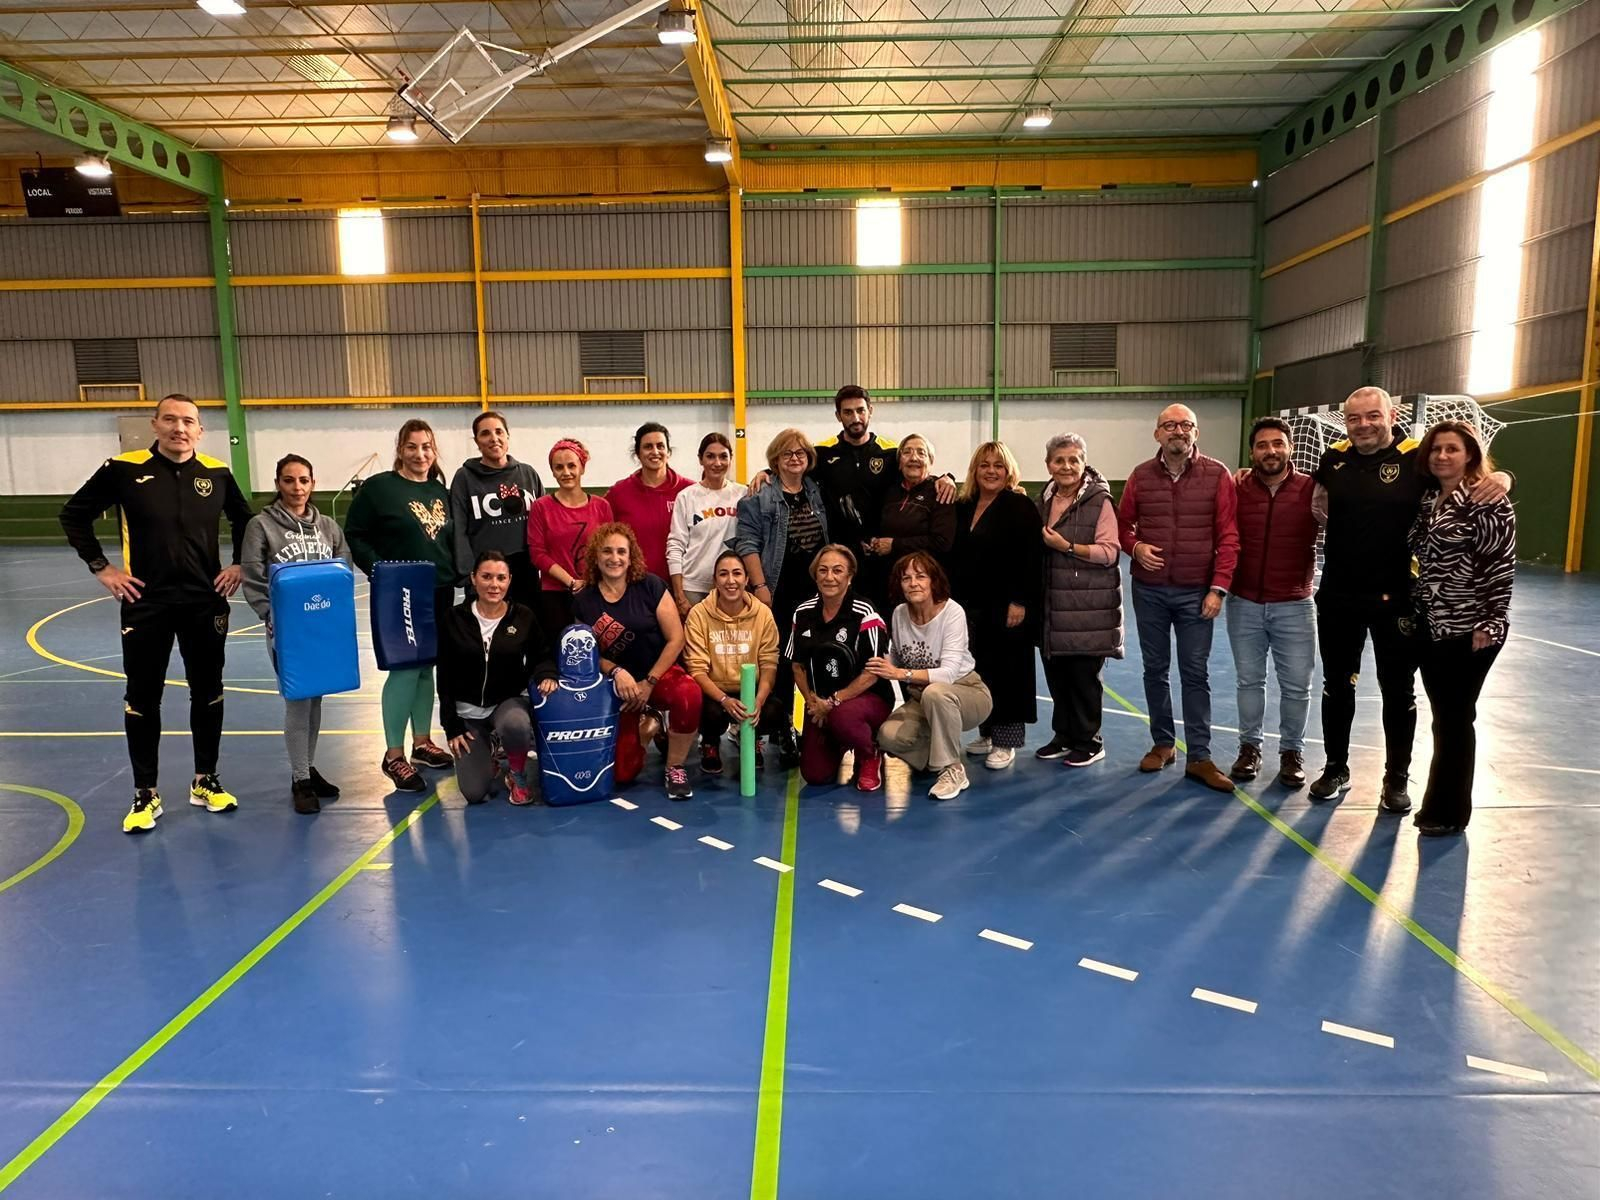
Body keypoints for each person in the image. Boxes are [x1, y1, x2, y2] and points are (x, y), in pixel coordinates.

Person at [59, 393, 252, 833]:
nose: (179, 428)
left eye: (188, 421)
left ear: (200, 430)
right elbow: (73, 516)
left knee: (209, 690)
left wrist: (239, 563)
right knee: (143, 696)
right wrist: (103, 568)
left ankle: (206, 780)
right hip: (146, 602)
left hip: (205, 601)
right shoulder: (123, 469)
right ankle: (145, 792)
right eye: (170, 419)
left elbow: (245, 519)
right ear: (155, 424)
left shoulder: (218, 474)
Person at [1310, 387, 1510, 810]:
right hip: (1338, 597)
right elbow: (1314, 495)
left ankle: (1396, 777)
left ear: (1391, 414)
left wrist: (1504, 477)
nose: (1363, 425)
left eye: (1372, 416)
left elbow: (1467, 476)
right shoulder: (1332, 458)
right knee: (1336, 686)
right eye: (1354, 418)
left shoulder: (1417, 457)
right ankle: (1335, 767)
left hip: (1397, 599)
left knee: (1397, 691)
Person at [1116, 403, 1239, 792]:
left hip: (1196, 594)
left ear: (1196, 434)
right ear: (1157, 434)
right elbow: (1122, 525)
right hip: (1149, 592)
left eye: (1186, 425)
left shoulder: (1217, 475)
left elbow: (1229, 537)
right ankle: (1164, 743)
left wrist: (1218, 588)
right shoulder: (1139, 476)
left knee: (1195, 673)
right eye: (1170, 425)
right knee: (1154, 670)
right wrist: (1134, 548)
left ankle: (1199, 757)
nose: (1178, 431)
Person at [1408, 421, 1516, 836]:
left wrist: (1489, 622)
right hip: (1432, 625)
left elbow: (1499, 567)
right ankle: (1438, 804)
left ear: (1470, 453)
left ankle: (1449, 812)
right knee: (1445, 718)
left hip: (1471, 629)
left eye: (1452, 449)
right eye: (1436, 449)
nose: (1441, 456)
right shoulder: (1430, 499)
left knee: (1455, 718)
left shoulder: (1488, 501)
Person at [345, 418, 458, 793]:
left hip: (438, 589)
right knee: (405, 671)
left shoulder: (439, 492)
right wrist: (378, 570)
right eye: (413, 446)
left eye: (427, 446)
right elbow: (355, 534)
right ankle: (394, 755)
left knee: (428, 670)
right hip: (400, 592)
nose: (420, 453)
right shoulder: (379, 489)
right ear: (400, 449)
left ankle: (422, 742)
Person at [240, 453, 352, 815]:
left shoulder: (329, 527)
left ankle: (307, 768)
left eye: (304, 480)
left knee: (316, 699)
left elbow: (343, 570)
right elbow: (253, 573)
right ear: (278, 484)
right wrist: (268, 613)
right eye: (289, 480)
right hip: (288, 628)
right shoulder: (261, 525)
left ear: (313, 483)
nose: (297, 488)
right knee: (298, 700)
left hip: (321, 626)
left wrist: (336, 616)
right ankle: (300, 779)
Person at [574, 523, 703, 799]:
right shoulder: (583, 599)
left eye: (622, 551)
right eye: (607, 551)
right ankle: (651, 724)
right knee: (622, 773)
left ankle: (674, 767)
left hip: (656, 675)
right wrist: (616, 670)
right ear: (596, 556)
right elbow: (586, 653)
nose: (615, 558)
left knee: (689, 694)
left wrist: (649, 682)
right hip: (618, 686)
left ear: (631, 557)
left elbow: (676, 639)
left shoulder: (650, 585)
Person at [1225, 417, 1319, 789]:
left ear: (1290, 448)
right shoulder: (1237, 488)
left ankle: (1292, 753)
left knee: (1297, 686)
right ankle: (1249, 748)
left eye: (1278, 443)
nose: (1270, 451)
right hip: (1244, 601)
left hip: (1295, 603)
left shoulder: (1313, 488)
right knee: (1249, 681)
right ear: (1252, 452)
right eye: (1262, 445)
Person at [735, 428, 830, 768]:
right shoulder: (758, 497)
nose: (794, 458)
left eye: (800, 453)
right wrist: (760, 587)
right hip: (776, 591)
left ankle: (808, 726)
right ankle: (777, 730)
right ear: (774, 460)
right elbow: (745, 542)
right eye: (787, 453)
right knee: (776, 663)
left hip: (815, 593)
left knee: (807, 662)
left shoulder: (816, 491)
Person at [436, 551, 559, 807]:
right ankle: (488, 749)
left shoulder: (523, 616)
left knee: (516, 724)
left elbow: (542, 655)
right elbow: (445, 673)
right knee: (474, 793)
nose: (494, 584)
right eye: (487, 577)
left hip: (507, 701)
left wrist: (546, 674)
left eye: (501, 578)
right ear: (473, 579)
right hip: (467, 712)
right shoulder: (453, 618)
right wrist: (451, 725)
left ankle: (516, 773)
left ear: (509, 580)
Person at [870, 552, 993, 800]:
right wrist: (876, 663)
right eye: (906, 578)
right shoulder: (899, 614)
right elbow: (897, 655)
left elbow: (947, 674)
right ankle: (936, 753)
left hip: (965, 692)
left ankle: (952, 768)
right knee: (888, 736)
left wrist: (899, 674)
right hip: (921, 699)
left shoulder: (952, 612)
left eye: (920, 576)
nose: (913, 583)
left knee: (936, 692)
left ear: (933, 580)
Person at [951, 441, 1043, 770]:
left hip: (1007, 605)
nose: (991, 471)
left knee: (1009, 671)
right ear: (975, 470)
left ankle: (1006, 741)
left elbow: (1032, 559)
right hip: (970, 605)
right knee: (980, 669)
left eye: (998, 466)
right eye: (984, 465)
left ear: (1008, 472)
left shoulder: (1019, 507)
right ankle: (987, 732)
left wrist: (1020, 601)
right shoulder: (964, 505)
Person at [1035, 434, 1122, 767]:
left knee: (1084, 678)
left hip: (1089, 606)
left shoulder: (1100, 501)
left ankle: (1089, 740)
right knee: (1057, 676)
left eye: (1074, 460)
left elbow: (1110, 552)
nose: (1067, 467)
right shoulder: (1043, 498)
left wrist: (1068, 547)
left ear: (1084, 464)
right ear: (1048, 465)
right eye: (1059, 460)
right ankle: (1065, 735)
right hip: (1052, 605)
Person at [789, 545, 893, 791]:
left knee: (843, 716)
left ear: (850, 576)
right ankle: (842, 738)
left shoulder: (865, 612)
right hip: (821, 703)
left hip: (866, 699)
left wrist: (834, 701)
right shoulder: (802, 613)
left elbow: (872, 673)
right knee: (814, 775)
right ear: (815, 575)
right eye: (823, 570)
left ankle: (869, 752)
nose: (829, 577)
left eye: (838, 571)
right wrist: (812, 702)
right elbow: (797, 666)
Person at [683, 551, 778, 777]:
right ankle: (710, 743)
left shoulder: (763, 614)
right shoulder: (698, 614)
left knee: (774, 711)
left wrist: (759, 700)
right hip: (715, 691)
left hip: (749, 689)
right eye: (723, 574)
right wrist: (724, 699)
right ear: (715, 581)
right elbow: (696, 668)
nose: (731, 580)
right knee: (708, 711)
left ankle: (749, 738)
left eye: (737, 573)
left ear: (746, 579)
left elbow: (769, 663)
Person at [449, 410, 545, 608]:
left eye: (499, 432)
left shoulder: (528, 473)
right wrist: (469, 574)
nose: (494, 439)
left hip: (525, 574)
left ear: (507, 436)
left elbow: (544, 524)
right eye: (485, 433)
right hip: (487, 574)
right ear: (476, 441)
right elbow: (459, 529)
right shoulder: (464, 478)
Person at [527, 438, 614, 643]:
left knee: (597, 649)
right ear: (552, 471)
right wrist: (571, 582)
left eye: (571, 465)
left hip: (596, 590)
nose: (566, 472)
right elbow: (537, 553)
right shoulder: (541, 507)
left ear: (582, 468)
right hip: (555, 594)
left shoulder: (601, 507)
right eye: (559, 467)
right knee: (560, 649)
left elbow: (610, 549)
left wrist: (590, 581)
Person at [860, 433, 955, 610]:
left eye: (921, 453)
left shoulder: (940, 492)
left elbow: (942, 542)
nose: (914, 458)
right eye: (907, 452)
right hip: (889, 583)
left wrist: (894, 545)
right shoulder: (889, 492)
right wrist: (873, 542)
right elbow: (880, 528)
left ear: (930, 461)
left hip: (924, 586)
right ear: (899, 462)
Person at [668, 432, 747, 617]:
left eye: (723, 456)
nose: (717, 463)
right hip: (693, 587)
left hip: (732, 586)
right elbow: (675, 545)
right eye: (710, 456)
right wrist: (679, 593)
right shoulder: (686, 497)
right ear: (700, 460)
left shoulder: (743, 494)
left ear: (731, 459)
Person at [606, 422, 693, 581]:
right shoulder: (618, 493)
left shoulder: (690, 491)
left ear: (669, 452)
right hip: (634, 585)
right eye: (648, 447)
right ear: (638, 454)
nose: (655, 452)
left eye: (660, 446)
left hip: (683, 585)